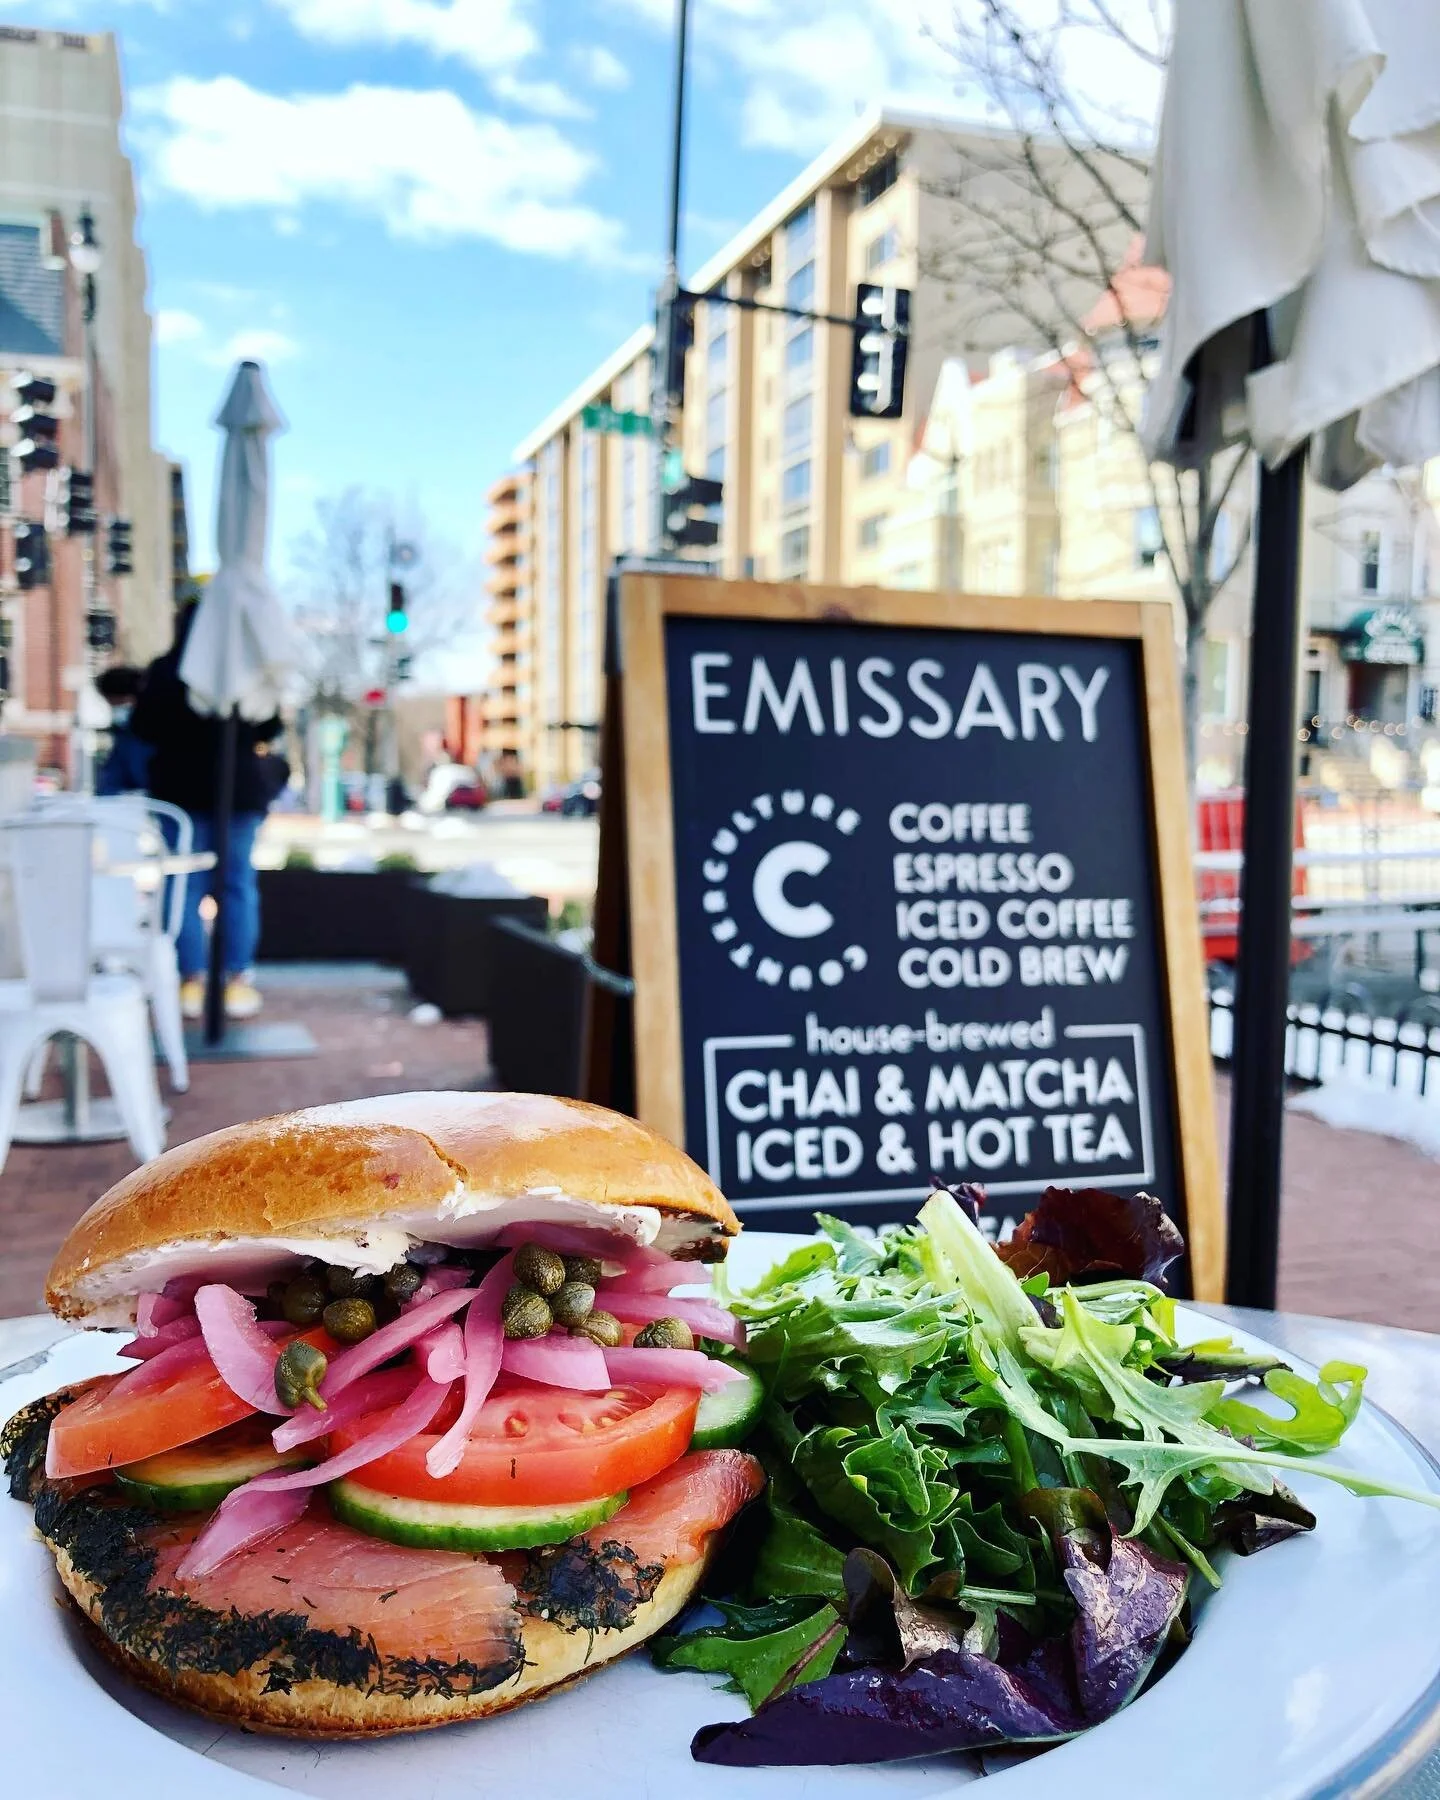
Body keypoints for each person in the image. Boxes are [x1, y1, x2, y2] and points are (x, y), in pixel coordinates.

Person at [131, 603, 286, 1022]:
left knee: (184, 885)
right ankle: (236, 978)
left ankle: (192, 978)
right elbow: (269, 726)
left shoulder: (167, 671)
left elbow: (143, 727)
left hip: (181, 791)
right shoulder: (242, 675)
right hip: (236, 790)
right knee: (236, 886)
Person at [94, 666, 153, 796]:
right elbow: (110, 782)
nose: (115, 710)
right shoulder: (125, 736)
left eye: (119, 703)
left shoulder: (165, 729)